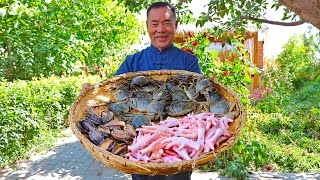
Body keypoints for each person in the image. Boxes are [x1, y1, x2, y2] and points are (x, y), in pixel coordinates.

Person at [83, 1, 201, 180]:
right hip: (139, 147)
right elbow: (111, 93)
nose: (160, 29)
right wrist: (93, 91)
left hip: (177, 148)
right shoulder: (132, 62)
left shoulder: (188, 62)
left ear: (176, 25)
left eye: (167, 22)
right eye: (154, 24)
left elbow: (200, 103)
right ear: (147, 26)